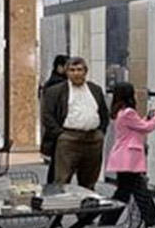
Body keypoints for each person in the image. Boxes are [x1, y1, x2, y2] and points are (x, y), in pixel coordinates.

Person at [103, 82, 155, 228]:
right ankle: (107, 222)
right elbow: (146, 127)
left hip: (125, 157)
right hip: (129, 157)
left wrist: (151, 116)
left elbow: (138, 126)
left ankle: (153, 221)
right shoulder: (128, 112)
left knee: (131, 191)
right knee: (129, 192)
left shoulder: (121, 112)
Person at [41, 57, 109, 189]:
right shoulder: (55, 91)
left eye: (79, 70)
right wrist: (60, 134)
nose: (76, 73)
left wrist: (101, 132)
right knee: (62, 180)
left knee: (89, 181)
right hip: (68, 139)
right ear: (66, 72)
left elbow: (103, 113)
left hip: (93, 140)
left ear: (85, 71)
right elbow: (47, 116)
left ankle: (87, 201)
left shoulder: (95, 89)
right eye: (72, 70)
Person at [40, 55, 69, 181]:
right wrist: (59, 132)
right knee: (58, 166)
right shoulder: (56, 85)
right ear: (60, 67)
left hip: (57, 132)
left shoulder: (53, 82)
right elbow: (48, 114)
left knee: (57, 165)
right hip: (59, 132)